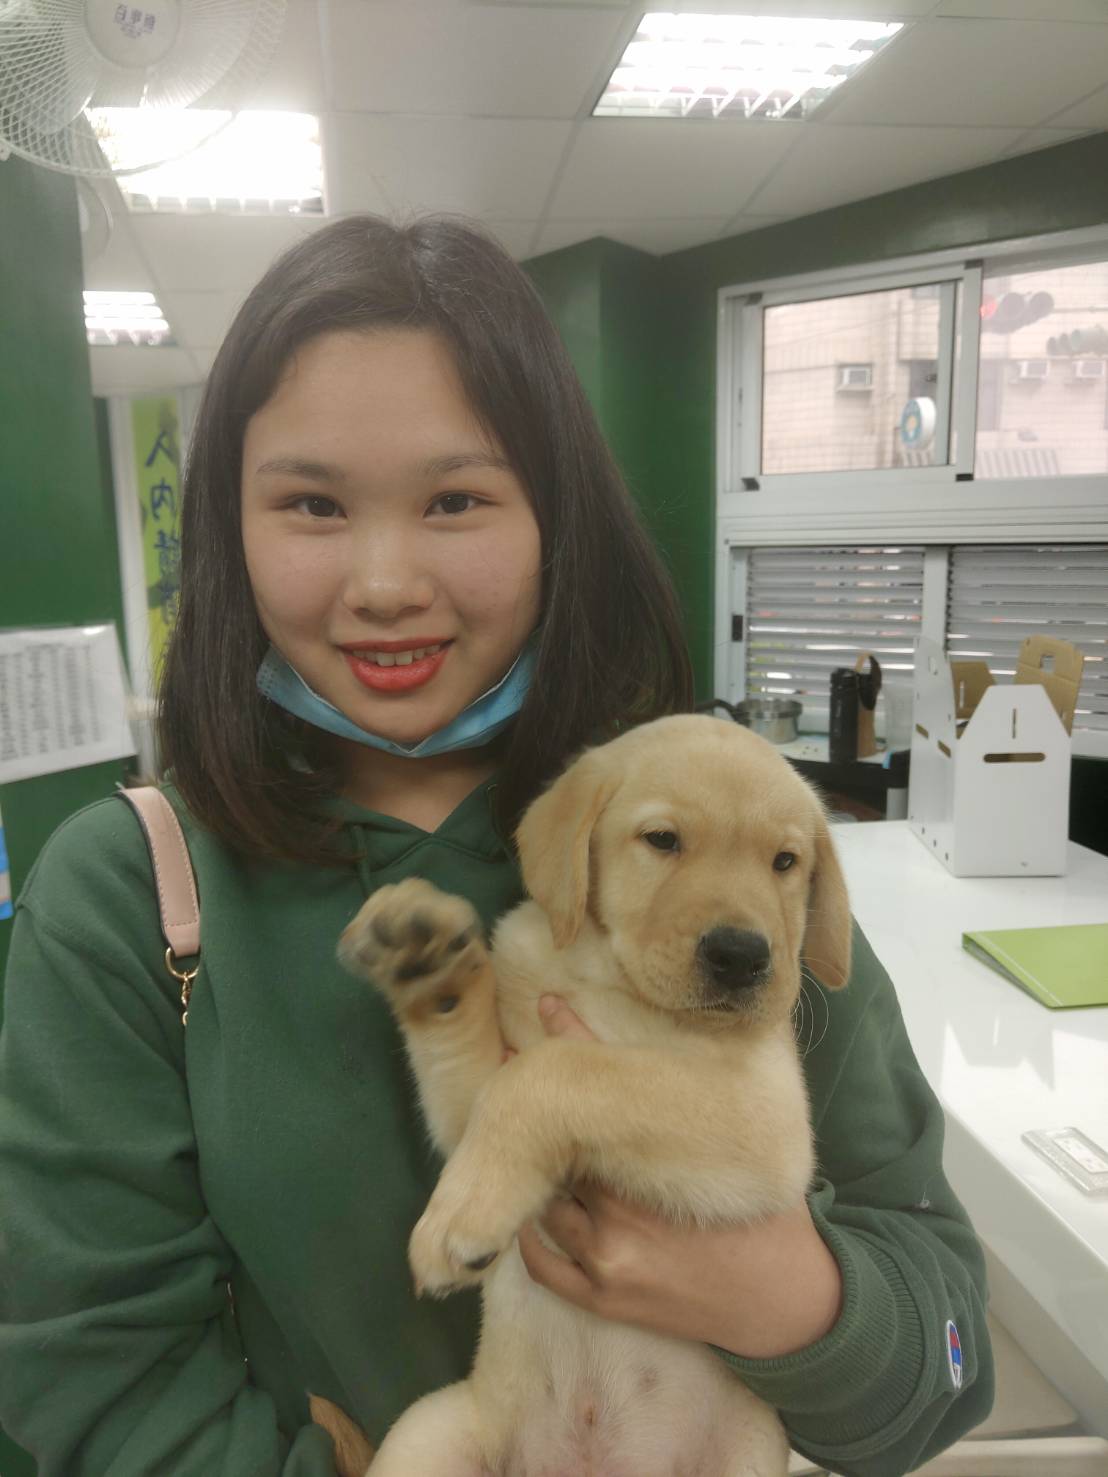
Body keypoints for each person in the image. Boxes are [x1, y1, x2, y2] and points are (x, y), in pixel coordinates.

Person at [0, 215, 993, 1477]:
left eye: (456, 499)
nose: (383, 582)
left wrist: (795, 1301)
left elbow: (947, 1358)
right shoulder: (126, 893)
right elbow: (95, 1374)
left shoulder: (713, 842)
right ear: (227, 527)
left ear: (554, 519)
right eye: (311, 503)